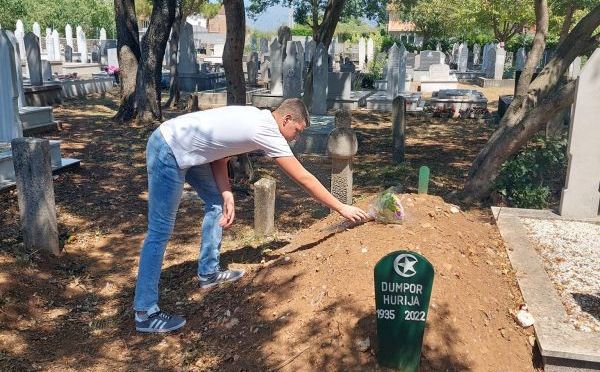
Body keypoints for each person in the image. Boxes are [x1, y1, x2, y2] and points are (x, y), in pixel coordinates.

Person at [133, 98, 369, 333]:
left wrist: (226, 193)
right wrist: (342, 207)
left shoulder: (257, 116)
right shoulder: (266, 130)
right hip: (168, 147)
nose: (295, 138)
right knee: (160, 230)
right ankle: (145, 312)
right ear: (286, 118)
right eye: (297, 131)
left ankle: (209, 272)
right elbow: (303, 179)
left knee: (216, 204)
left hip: (189, 148)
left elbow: (219, 153)